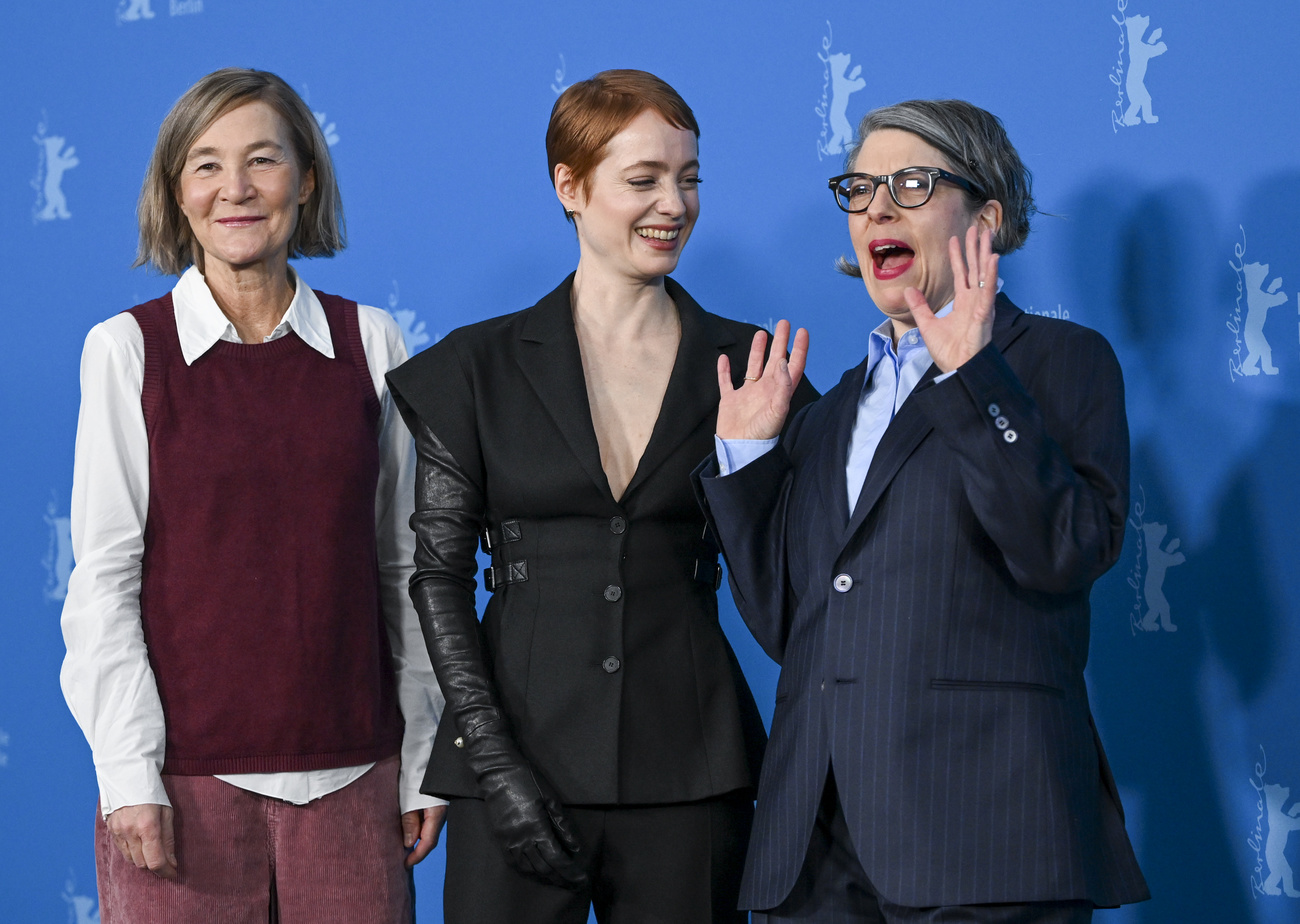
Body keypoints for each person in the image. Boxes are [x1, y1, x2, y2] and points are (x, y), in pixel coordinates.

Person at [695, 99, 1150, 923]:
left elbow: (1064, 550)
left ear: (988, 216)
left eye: (910, 183)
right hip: (815, 854)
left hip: (985, 839)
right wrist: (749, 462)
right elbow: (791, 630)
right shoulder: (829, 410)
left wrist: (974, 376)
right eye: (860, 187)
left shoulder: (1062, 364)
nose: (876, 207)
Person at [385, 69, 817, 923]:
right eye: (644, 179)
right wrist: (495, 765)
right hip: (514, 765)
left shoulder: (756, 366)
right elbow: (437, 577)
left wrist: (751, 453)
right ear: (570, 187)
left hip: (693, 767)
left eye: (689, 178)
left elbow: (789, 591)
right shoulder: (472, 369)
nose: (675, 204)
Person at [59, 67, 445, 922]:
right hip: (182, 787)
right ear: (176, 191)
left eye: (263, 160)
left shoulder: (370, 343)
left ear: (305, 181)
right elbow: (105, 579)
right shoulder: (127, 352)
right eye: (205, 165)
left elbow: (403, 570)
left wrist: (424, 754)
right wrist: (126, 772)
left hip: (356, 777)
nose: (235, 189)